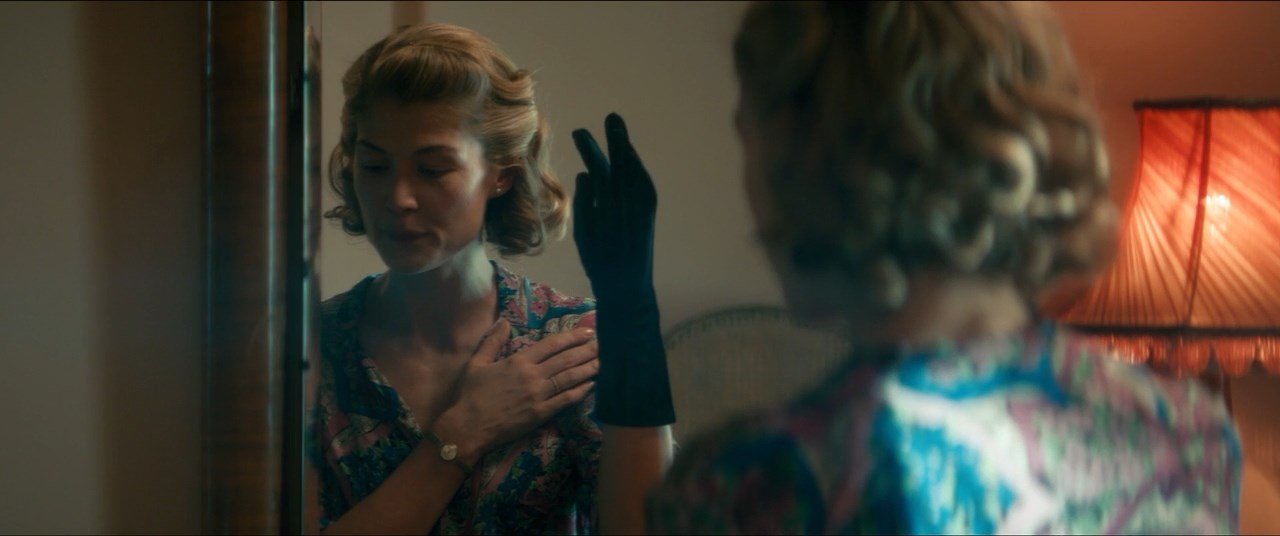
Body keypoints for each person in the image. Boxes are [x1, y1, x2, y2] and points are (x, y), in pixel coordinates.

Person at [574, 2, 1243, 534]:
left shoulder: (768, 481)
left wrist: (628, 308)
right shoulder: (1189, 434)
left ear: (815, 158)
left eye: (749, 135)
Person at [306, 23, 606, 534]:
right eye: (375, 166)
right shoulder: (314, 347)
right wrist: (462, 432)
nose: (398, 198)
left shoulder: (569, 340)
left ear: (501, 174)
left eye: (432, 170)